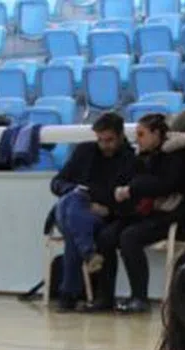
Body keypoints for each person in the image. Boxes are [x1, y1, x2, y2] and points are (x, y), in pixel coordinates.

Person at [101, 114, 185, 314]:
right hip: (146, 212)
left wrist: (133, 188)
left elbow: (166, 185)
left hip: (172, 215)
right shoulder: (142, 156)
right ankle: (105, 296)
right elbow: (129, 181)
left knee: (129, 238)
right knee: (106, 235)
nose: (138, 139)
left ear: (156, 134)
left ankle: (139, 297)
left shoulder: (176, 155)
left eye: (142, 134)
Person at [48, 111, 133, 312]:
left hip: (98, 214)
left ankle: (69, 293)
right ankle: (87, 254)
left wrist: (96, 202)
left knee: (73, 229)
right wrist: (76, 191)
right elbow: (57, 183)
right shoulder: (84, 151)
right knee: (74, 200)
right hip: (70, 207)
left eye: (110, 140)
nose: (105, 145)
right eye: (101, 140)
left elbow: (121, 197)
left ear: (121, 136)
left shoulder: (129, 160)